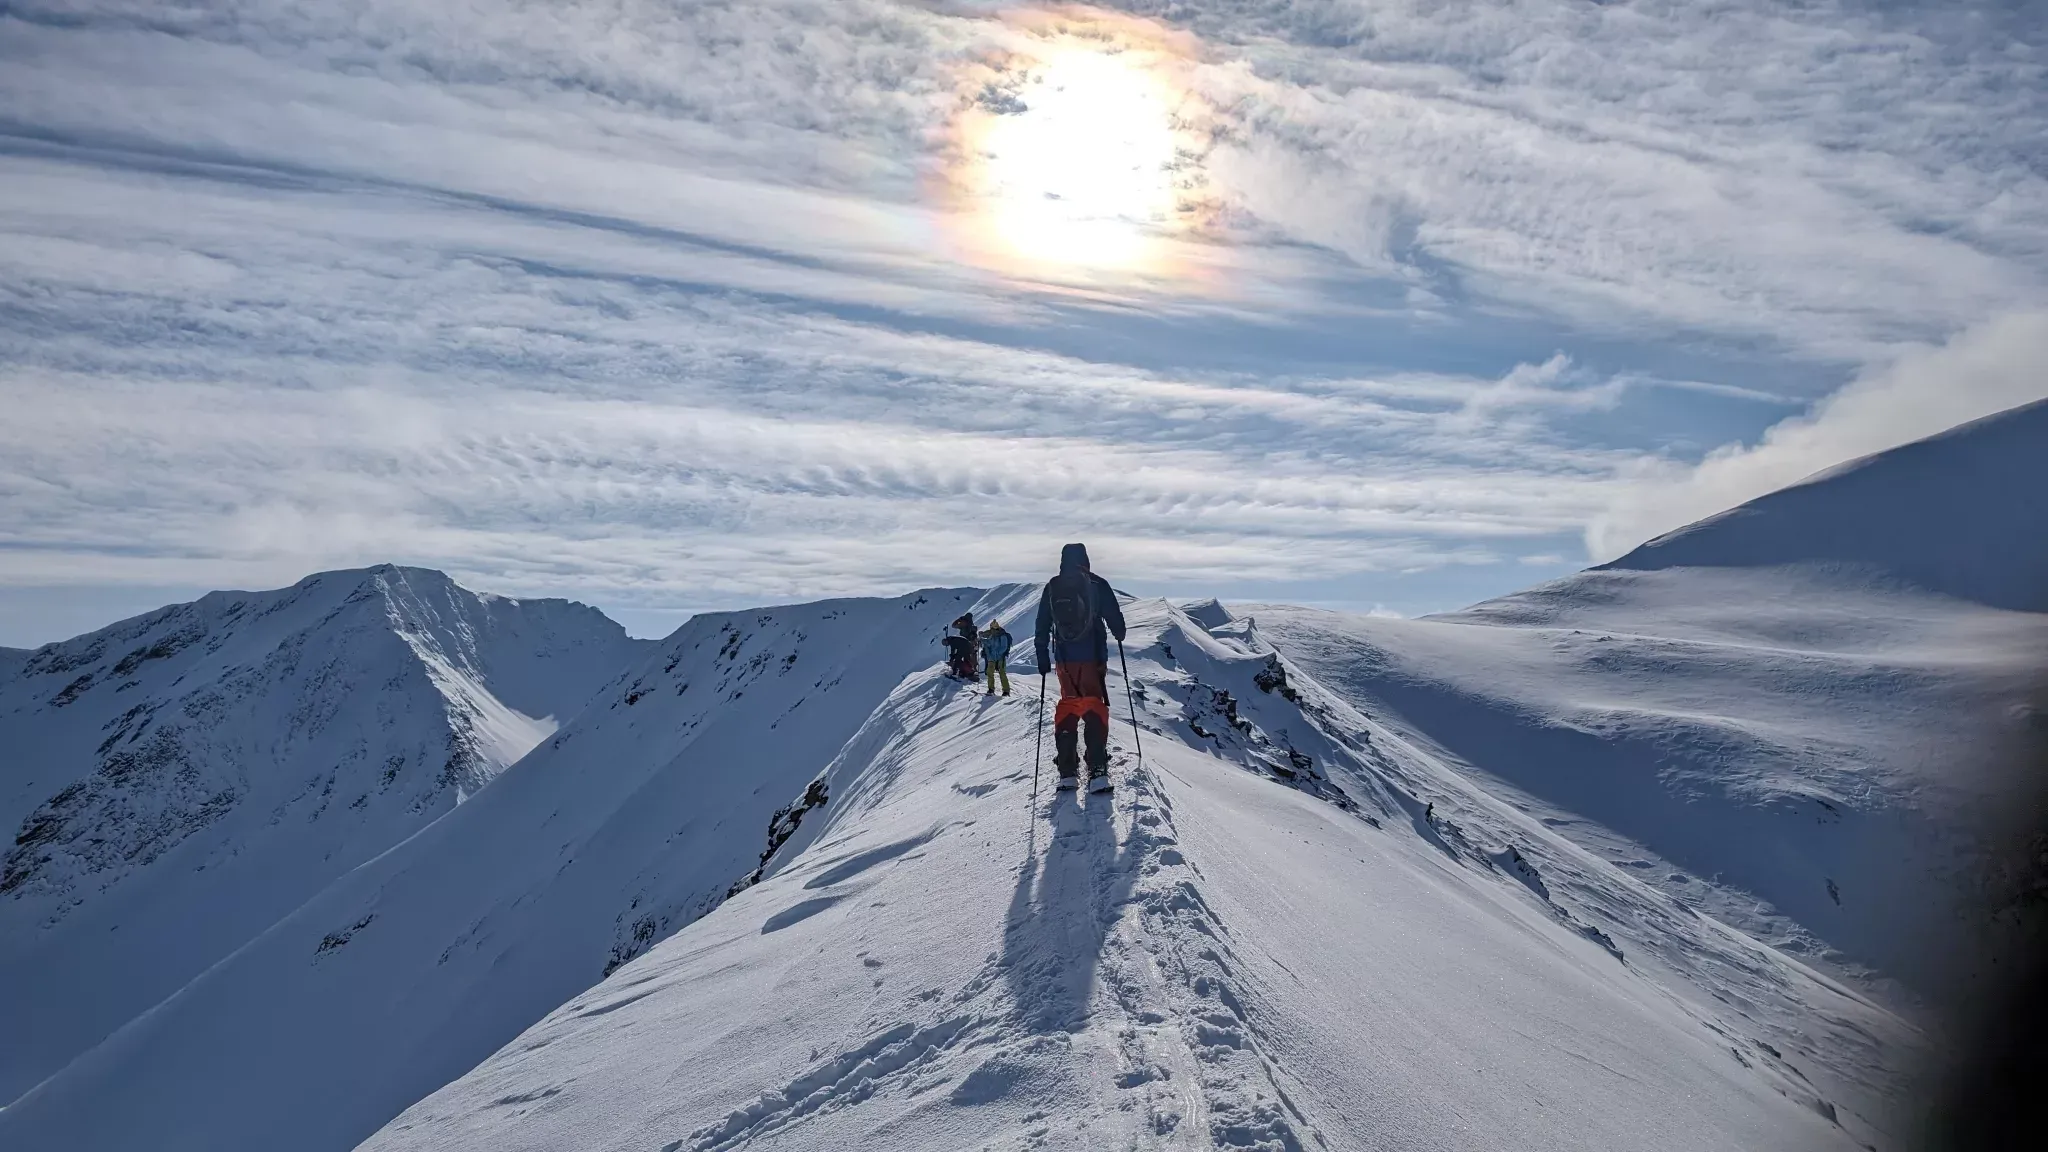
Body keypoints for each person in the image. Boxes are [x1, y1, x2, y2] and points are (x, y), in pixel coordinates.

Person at [1034, 543, 1126, 791]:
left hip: (1064, 660)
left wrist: (1042, 655)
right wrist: (1117, 632)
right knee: (1093, 706)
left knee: (1070, 706)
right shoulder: (1097, 584)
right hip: (1093, 657)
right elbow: (1118, 625)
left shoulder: (1053, 586)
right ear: (1086, 559)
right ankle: (1096, 771)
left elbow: (1042, 624)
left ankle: (1067, 771)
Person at [980, 619, 1013, 697]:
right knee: (990, 673)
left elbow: (1003, 647)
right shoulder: (994, 635)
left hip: (999, 658)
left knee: (1002, 674)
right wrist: (982, 640)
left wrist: (996, 655)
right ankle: (991, 689)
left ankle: (1006, 691)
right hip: (993, 657)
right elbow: (989, 644)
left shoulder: (1003, 636)